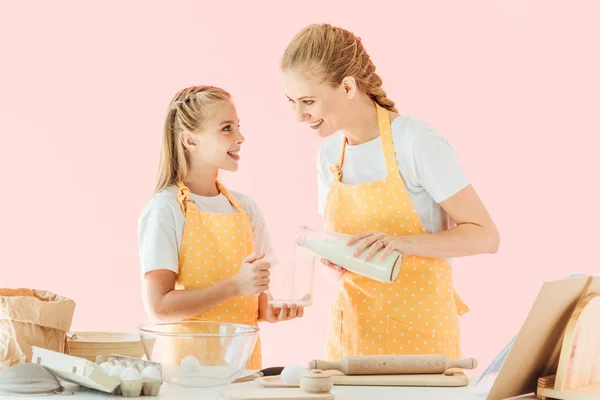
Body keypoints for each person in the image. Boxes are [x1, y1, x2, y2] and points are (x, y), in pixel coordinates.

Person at [280, 24, 499, 361]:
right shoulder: (329, 156)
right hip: (351, 340)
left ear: (348, 86)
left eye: (308, 101)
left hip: (420, 340)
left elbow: (486, 236)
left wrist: (405, 243)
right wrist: (332, 263)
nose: (299, 115)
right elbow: (343, 259)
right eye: (292, 102)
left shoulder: (415, 143)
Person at [138, 86, 303, 369]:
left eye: (238, 127)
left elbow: (260, 304)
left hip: (245, 372)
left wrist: (273, 309)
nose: (240, 138)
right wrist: (234, 286)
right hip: (189, 376)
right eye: (227, 129)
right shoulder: (166, 209)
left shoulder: (246, 208)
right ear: (191, 140)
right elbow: (159, 307)